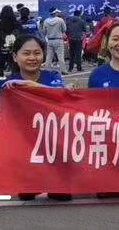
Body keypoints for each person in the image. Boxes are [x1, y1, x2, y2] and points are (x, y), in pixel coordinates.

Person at [2, 35, 73, 202]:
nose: (32, 58)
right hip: (24, 147)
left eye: (37, 53)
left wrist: (32, 86)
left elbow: (59, 94)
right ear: (15, 57)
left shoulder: (53, 76)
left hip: (53, 144)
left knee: (61, 195)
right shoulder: (8, 84)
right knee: (26, 194)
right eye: (26, 53)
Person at [42, 8, 67, 75]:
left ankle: (47, 70)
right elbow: (64, 29)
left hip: (50, 40)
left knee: (49, 57)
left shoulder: (46, 21)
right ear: (55, 13)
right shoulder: (60, 20)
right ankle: (63, 70)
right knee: (60, 56)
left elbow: (44, 32)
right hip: (58, 40)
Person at [0, 5, 20, 76]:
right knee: (14, 62)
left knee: (1, 63)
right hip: (14, 46)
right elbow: (19, 34)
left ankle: (1, 77)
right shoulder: (16, 23)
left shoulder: (1, 23)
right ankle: (15, 77)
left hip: (3, 45)